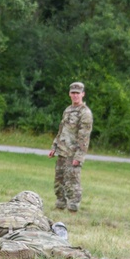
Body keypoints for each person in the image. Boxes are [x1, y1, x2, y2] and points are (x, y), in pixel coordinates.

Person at [0, 191, 130, 259]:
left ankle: (15, 251)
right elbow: (59, 231)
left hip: (18, 237)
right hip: (48, 238)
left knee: (1, 243)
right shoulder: (39, 214)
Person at [48, 81, 93, 212]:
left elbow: (84, 137)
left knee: (72, 182)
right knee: (59, 180)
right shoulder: (68, 110)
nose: (75, 96)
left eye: (77, 93)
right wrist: (54, 147)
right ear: (69, 94)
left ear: (83, 94)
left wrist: (79, 156)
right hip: (62, 151)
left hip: (73, 153)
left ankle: (73, 207)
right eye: (73, 93)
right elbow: (61, 130)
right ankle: (60, 204)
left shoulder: (85, 113)